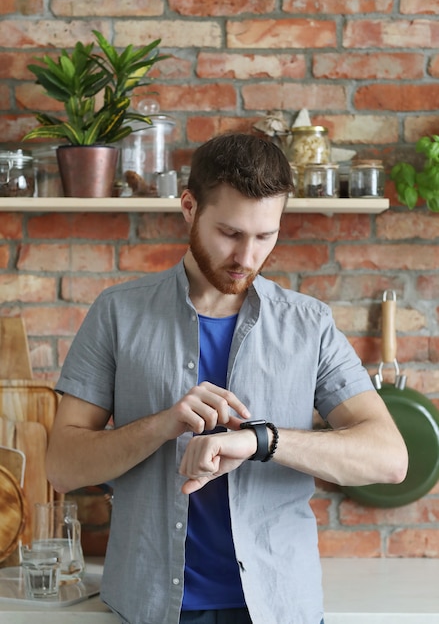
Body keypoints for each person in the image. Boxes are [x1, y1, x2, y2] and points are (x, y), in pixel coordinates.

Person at [46, 133, 408, 624]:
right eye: (231, 233)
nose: (248, 257)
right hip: (151, 607)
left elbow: (389, 460)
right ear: (189, 207)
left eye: (266, 236)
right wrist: (164, 424)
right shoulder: (117, 314)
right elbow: (62, 467)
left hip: (280, 606)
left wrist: (262, 440)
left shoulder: (309, 324)